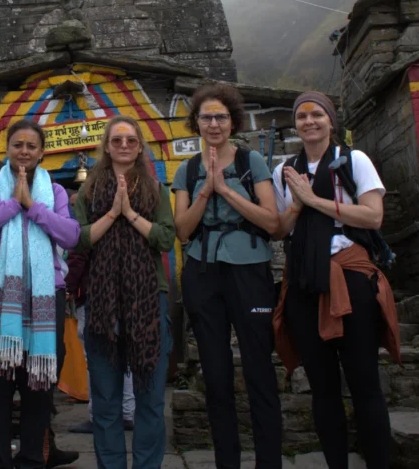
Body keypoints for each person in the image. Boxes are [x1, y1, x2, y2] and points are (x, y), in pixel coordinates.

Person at [271, 91, 400, 469]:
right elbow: (280, 230)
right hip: (304, 282)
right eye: (301, 117)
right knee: (322, 388)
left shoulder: (353, 160)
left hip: (351, 278)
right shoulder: (285, 172)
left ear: (331, 120)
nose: (309, 122)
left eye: (317, 115)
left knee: (364, 382)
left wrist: (314, 200)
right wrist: (297, 202)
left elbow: (373, 217)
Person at [172, 84, 282, 469]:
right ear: (196, 123)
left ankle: (269, 461)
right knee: (216, 374)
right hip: (202, 271)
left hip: (249, 269)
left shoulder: (252, 162)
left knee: (259, 368)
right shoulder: (186, 170)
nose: (214, 124)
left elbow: (272, 221)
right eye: (206, 117)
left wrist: (227, 191)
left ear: (232, 121)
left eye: (221, 117)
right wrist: (206, 191)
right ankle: (227, 462)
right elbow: (182, 230)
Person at [0, 120, 81, 469]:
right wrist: (13, 205)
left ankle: (31, 460)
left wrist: (32, 205)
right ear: (7, 150)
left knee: (38, 387)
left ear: (42, 152)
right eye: (18, 145)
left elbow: (70, 236)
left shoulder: (55, 193)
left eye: (31, 146)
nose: (24, 151)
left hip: (44, 297)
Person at [73, 116, 176, 469]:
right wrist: (112, 212)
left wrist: (128, 212)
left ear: (139, 145)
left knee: (149, 396)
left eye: (131, 140)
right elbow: (80, 238)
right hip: (102, 300)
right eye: (117, 140)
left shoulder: (156, 190)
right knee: (105, 398)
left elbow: (165, 237)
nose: (124, 146)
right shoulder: (87, 192)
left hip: (148, 297)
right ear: (106, 145)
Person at [64, 191, 135, 436]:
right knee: (121, 354)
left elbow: (78, 256)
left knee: (94, 358)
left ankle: (100, 415)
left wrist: (69, 287)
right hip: (120, 293)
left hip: (94, 295)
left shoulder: (87, 226)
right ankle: (127, 411)